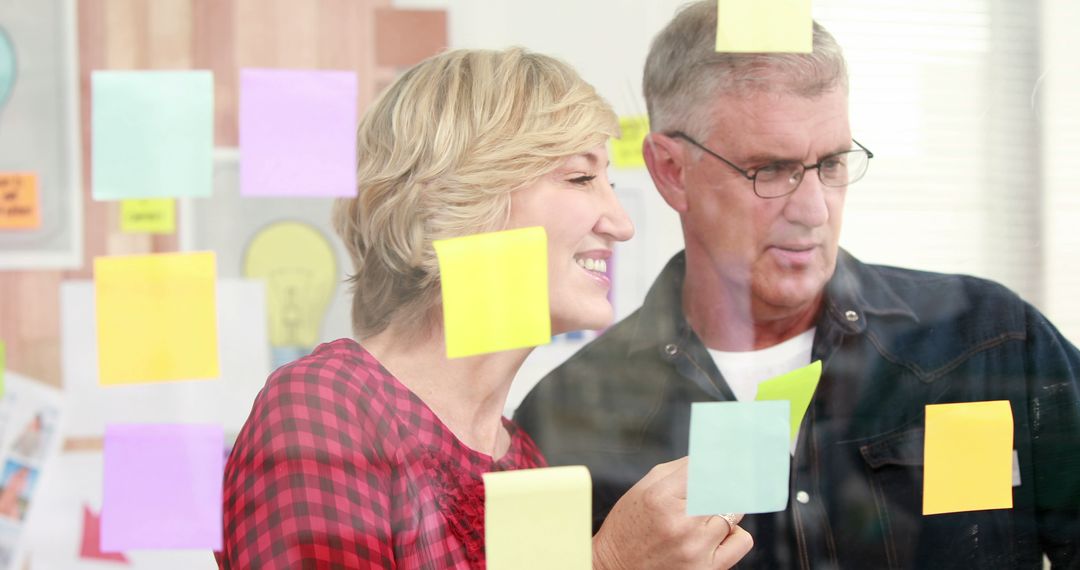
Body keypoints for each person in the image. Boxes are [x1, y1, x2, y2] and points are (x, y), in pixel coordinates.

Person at [514, 3, 1080, 568]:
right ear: (671, 171)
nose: (812, 209)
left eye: (832, 164)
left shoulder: (987, 343)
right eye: (770, 170)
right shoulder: (563, 423)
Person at [217, 48, 753, 569]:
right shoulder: (326, 410)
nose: (620, 223)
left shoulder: (522, 458)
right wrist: (611, 563)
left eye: (608, 182)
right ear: (462, 200)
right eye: (581, 178)